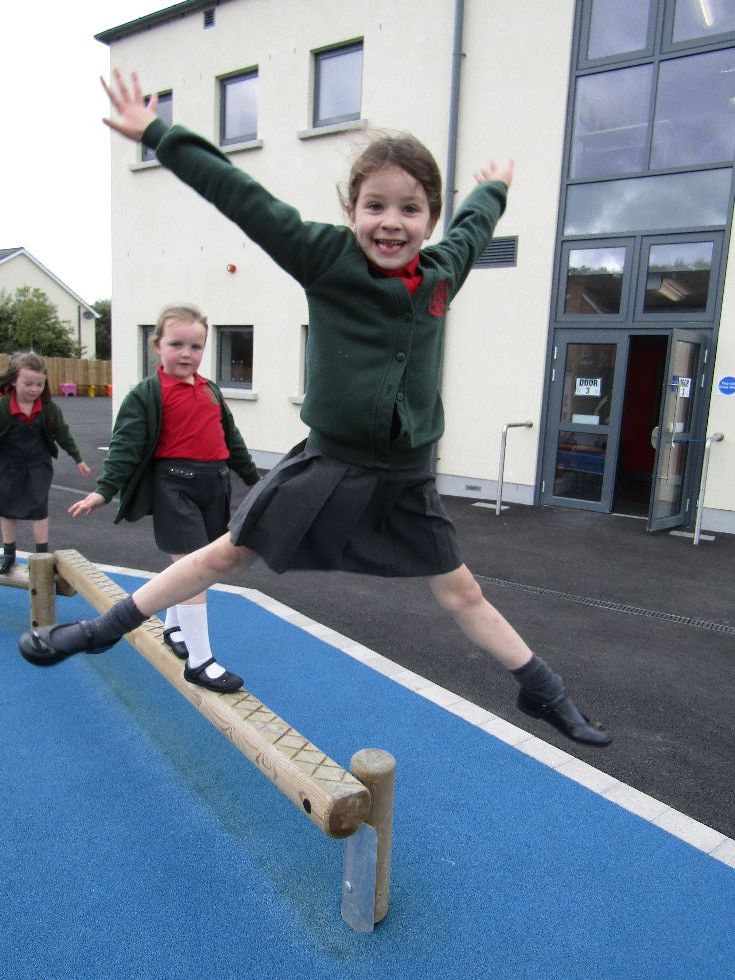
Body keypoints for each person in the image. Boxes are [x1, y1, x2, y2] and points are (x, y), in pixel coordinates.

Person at [19, 70, 612, 745]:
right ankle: (102, 630)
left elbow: (476, 223)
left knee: (462, 592)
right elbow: (241, 196)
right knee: (224, 556)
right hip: (331, 465)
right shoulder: (324, 258)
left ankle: (543, 691)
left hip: (408, 476)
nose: (391, 222)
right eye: (374, 206)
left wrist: (495, 186)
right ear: (351, 209)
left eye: (410, 209)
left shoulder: (442, 270)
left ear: (428, 217)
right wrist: (159, 134)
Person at [66, 304, 260, 693]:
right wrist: (104, 491)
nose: (186, 353)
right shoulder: (146, 394)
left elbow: (231, 440)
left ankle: (174, 627)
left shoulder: (210, 390)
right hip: (176, 488)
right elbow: (125, 447)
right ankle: (200, 661)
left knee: (201, 567)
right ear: (158, 346)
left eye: (196, 346)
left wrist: (254, 479)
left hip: (214, 487)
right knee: (195, 569)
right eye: (176, 344)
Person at [0, 351, 92, 573]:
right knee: (7, 508)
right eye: (28, 383)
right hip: (8, 464)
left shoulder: (49, 409)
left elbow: (63, 434)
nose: (34, 389)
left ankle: (41, 555)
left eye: (39, 384)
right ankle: (9, 553)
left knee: (38, 507)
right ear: (14, 381)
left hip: (38, 464)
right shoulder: (3, 407)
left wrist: (77, 458)